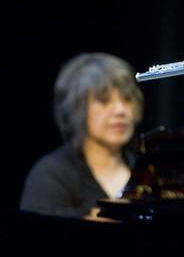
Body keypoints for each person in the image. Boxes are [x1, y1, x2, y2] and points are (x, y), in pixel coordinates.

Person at [20, 53, 144, 219]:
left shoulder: (147, 170)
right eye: (104, 100)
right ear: (77, 109)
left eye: (127, 99)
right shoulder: (51, 174)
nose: (120, 110)